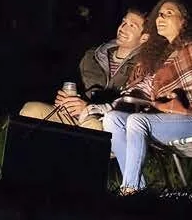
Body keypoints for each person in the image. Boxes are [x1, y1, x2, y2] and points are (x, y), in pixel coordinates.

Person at [102, 0, 192, 193]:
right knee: (112, 119)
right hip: (169, 117)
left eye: (168, 13)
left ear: (184, 21)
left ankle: (129, 190)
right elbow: (150, 91)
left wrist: (176, 98)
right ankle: (137, 187)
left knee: (137, 121)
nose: (160, 17)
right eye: (159, 14)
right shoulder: (160, 58)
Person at [18, 8, 147, 131]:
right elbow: (73, 83)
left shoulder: (144, 66)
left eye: (132, 26)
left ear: (144, 38)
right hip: (77, 115)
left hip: (108, 122)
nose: (122, 28)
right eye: (124, 22)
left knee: (93, 126)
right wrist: (65, 99)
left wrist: (89, 108)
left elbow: (133, 106)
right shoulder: (92, 56)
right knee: (32, 110)